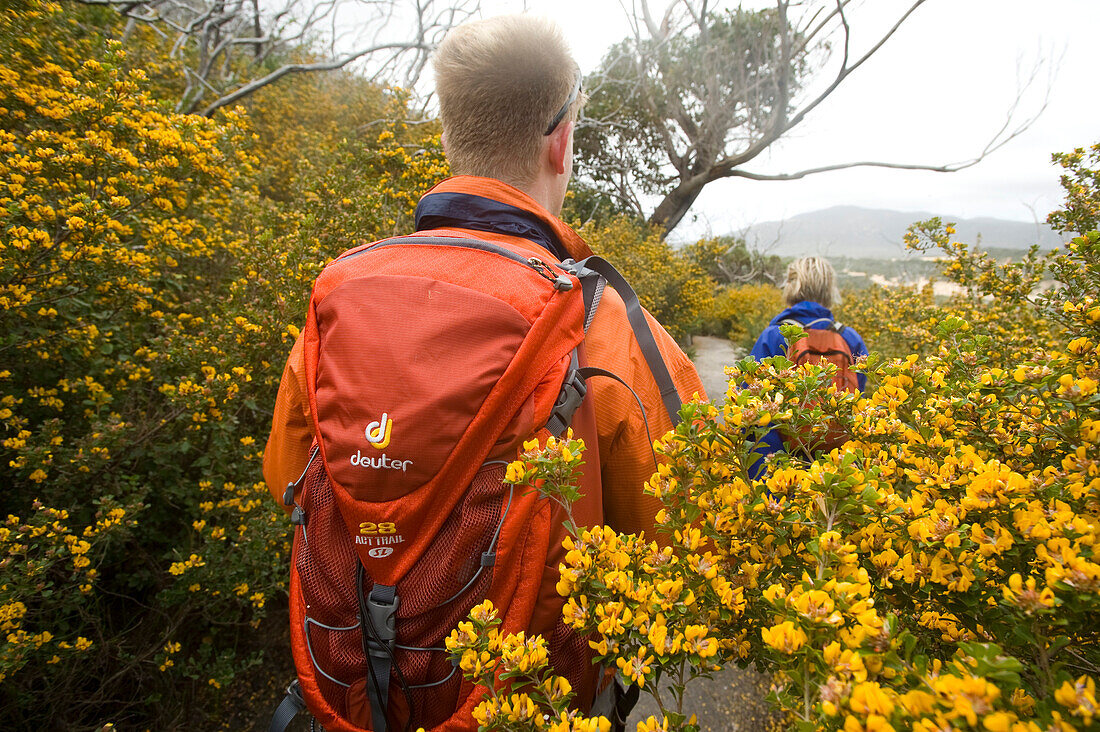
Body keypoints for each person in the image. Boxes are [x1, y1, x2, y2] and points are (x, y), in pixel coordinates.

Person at [262, 13, 705, 720]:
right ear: (560, 142)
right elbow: (679, 537)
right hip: (524, 705)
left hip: (352, 694)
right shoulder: (606, 324)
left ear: (447, 139)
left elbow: (288, 476)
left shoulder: (340, 293)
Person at [747, 256, 868, 472]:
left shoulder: (774, 335)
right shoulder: (850, 338)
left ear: (792, 286)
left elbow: (751, 403)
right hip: (837, 465)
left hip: (780, 466)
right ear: (829, 289)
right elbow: (858, 394)